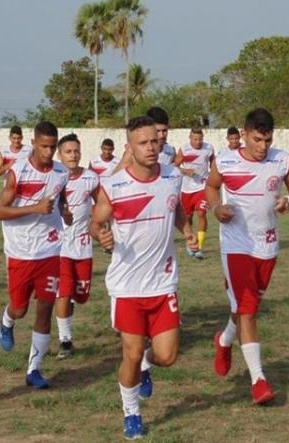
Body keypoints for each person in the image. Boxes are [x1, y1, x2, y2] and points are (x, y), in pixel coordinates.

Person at [91, 116, 198, 440]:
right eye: (143, 143)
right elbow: (95, 223)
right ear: (130, 147)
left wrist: (188, 230)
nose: (151, 147)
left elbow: (175, 209)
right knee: (132, 354)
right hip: (127, 286)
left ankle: (147, 368)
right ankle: (131, 413)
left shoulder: (172, 176)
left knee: (166, 355)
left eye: (155, 141)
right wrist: (102, 236)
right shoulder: (114, 185)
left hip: (163, 282)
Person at [206, 108, 289, 405]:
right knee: (248, 310)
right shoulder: (224, 160)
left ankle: (223, 341)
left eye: (268, 140)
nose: (263, 146)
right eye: (258, 139)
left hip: (268, 245)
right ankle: (258, 381)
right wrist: (215, 209)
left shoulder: (282, 159)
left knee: (246, 308)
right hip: (236, 245)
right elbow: (211, 187)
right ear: (245, 135)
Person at [0, 121, 70, 389]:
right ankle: (6, 321)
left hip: (50, 250)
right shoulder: (18, 172)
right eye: (44, 147)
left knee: (45, 308)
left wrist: (66, 211)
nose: (49, 152)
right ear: (34, 144)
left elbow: (60, 198)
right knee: (20, 308)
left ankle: (34, 369)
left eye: (53, 147)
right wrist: (35, 208)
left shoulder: (62, 172)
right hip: (20, 251)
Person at [55, 133, 99, 358]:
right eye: (68, 152)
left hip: (83, 245)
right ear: (59, 155)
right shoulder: (52, 177)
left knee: (80, 295)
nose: (73, 155)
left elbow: (102, 204)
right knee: (63, 291)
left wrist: (102, 226)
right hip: (59, 246)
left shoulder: (91, 178)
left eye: (76, 151)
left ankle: (66, 323)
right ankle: (65, 341)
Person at [174, 127, 214, 259]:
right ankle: (190, 241)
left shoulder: (208, 148)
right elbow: (174, 167)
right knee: (188, 219)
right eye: (195, 139)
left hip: (202, 187)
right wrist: (185, 171)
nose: (198, 142)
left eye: (200, 139)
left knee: (202, 213)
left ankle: (199, 248)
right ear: (190, 138)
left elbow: (214, 165)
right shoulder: (184, 149)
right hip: (186, 190)